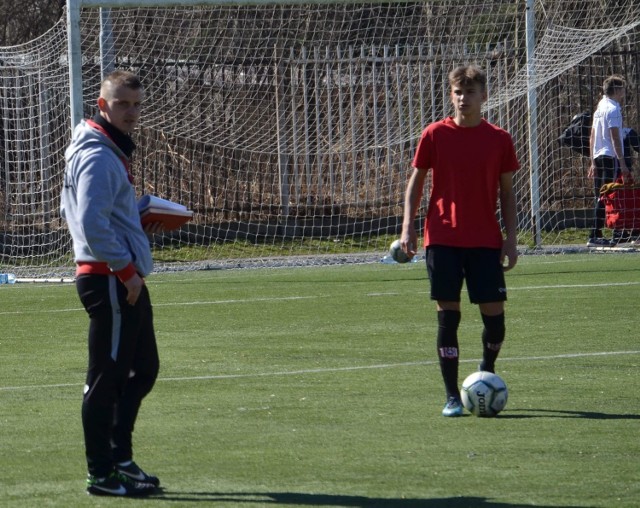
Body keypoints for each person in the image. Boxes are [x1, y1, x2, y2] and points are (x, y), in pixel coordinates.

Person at [61, 70, 163, 496]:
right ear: (102, 106)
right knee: (107, 377)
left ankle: (119, 457)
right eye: (122, 104)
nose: (131, 112)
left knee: (142, 369)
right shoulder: (99, 155)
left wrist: (138, 225)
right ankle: (101, 473)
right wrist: (125, 269)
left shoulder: (107, 149)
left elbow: (105, 217)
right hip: (109, 279)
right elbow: (89, 223)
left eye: (137, 104)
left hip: (121, 277)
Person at [399, 65, 519, 417]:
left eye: (470, 92)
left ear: (484, 96)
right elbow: (416, 183)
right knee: (448, 318)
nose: (463, 98)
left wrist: (511, 240)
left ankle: (486, 371)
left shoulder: (499, 138)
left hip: (485, 241)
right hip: (443, 239)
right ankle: (453, 395)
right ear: (451, 95)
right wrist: (408, 227)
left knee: (494, 320)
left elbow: (508, 194)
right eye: (458, 92)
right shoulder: (435, 134)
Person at [587, 75, 629, 247]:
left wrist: (592, 161)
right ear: (617, 90)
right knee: (606, 196)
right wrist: (623, 162)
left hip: (598, 156)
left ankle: (621, 232)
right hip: (610, 157)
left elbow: (592, 137)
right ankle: (595, 234)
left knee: (606, 195)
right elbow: (615, 138)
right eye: (622, 90)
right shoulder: (613, 109)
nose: (623, 94)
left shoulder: (599, 108)